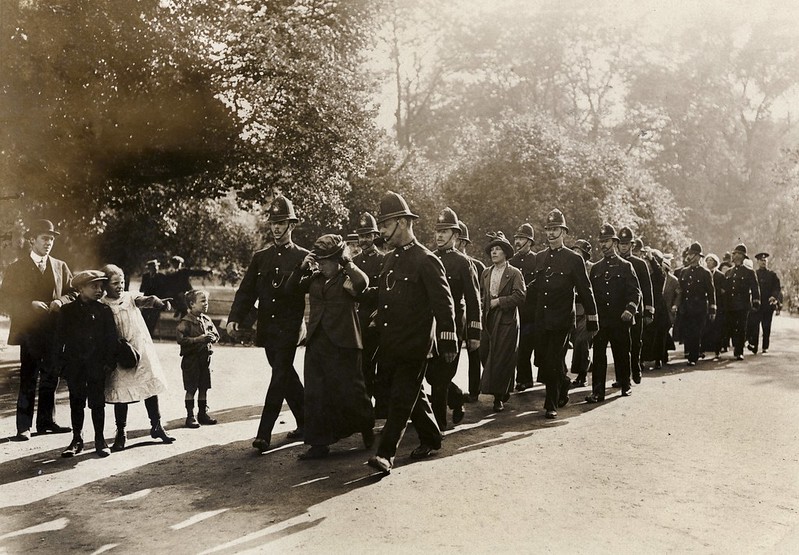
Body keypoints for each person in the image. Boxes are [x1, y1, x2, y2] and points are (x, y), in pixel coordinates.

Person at [365, 191, 458, 475]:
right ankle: (432, 436)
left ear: (403, 223)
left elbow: (444, 304)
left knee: (401, 397)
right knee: (410, 394)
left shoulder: (426, 260)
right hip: (391, 341)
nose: (381, 230)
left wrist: (448, 338)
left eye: (386, 223)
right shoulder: (391, 258)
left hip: (416, 345)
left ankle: (385, 454)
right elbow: (386, 294)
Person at [227, 195, 308, 452]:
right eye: (273, 222)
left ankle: (264, 434)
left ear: (291, 225)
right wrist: (234, 317)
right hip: (268, 328)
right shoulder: (261, 257)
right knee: (286, 376)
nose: (276, 227)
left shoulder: (303, 257)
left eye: (281, 222)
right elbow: (246, 291)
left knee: (279, 375)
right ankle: (309, 422)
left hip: (289, 328)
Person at [286, 234, 375, 460]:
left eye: (326, 261)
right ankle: (319, 444)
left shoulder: (347, 277)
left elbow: (363, 283)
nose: (321, 265)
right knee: (315, 393)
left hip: (344, 343)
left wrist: (347, 262)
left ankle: (366, 427)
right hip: (317, 341)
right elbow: (290, 290)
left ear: (338, 259)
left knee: (351, 391)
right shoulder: (315, 278)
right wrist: (301, 267)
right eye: (319, 260)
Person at [0, 219, 74, 441]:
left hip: (54, 331)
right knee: (28, 377)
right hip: (30, 331)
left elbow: (73, 293)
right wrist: (28, 304)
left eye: (51, 239)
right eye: (45, 238)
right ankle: (24, 427)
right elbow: (5, 298)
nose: (49, 243)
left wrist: (61, 300)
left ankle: (46, 422)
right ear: (32, 239)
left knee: (51, 377)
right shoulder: (16, 268)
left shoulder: (60, 266)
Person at [99, 264, 174, 451]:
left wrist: (156, 301)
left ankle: (156, 425)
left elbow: (144, 300)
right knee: (121, 391)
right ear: (105, 285)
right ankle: (121, 432)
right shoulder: (102, 303)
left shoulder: (129, 297)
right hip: (119, 352)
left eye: (122, 282)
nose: (120, 286)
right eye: (115, 283)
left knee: (149, 386)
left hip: (139, 347)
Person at [531, 209, 597, 418]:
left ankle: (550, 404)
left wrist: (592, 318)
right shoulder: (539, 258)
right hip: (541, 319)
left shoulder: (573, 259)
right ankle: (565, 381)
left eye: (555, 229)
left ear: (564, 232)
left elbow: (586, 290)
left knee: (552, 360)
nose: (551, 234)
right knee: (542, 359)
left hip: (561, 320)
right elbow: (536, 286)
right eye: (548, 229)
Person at [426, 207, 481, 430]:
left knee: (440, 380)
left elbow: (473, 299)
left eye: (445, 231)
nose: (439, 235)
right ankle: (456, 397)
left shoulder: (463, 263)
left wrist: (474, 333)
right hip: (429, 328)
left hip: (452, 329)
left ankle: (437, 427)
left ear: (456, 236)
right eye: (438, 231)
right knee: (431, 377)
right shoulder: (429, 258)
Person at [55, 270, 118, 457]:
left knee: (97, 403)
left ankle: (100, 439)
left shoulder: (104, 311)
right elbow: (59, 341)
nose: (99, 290)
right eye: (93, 286)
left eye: (101, 286)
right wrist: (60, 365)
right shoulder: (67, 312)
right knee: (76, 401)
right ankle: (77, 439)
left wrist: (110, 361)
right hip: (75, 366)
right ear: (80, 288)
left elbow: (111, 339)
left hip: (97, 365)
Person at [585, 225, 640, 403]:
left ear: (615, 242)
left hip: (620, 319)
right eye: (601, 241)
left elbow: (635, 292)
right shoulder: (596, 268)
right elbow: (591, 294)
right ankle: (597, 392)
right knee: (599, 355)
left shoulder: (626, 266)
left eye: (607, 241)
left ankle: (626, 385)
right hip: (602, 320)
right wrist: (592, 317)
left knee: (622, 353)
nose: (604, 245)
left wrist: (629, 310)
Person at [479, 232, 525, 412]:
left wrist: (500, 301)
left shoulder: (514, 273)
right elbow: (482, 296)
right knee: (485, 353)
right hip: (488, 319)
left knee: (502, 358)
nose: (494, 252)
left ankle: (499, 397)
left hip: (506, 321)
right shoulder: (485, 273)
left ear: (506, 253)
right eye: (492, 249)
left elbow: (520, 296)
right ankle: (498, 387)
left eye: (498, 249)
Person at [351, 212, 385, 401]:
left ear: (374, 236)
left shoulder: (383, 261)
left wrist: (361, 292)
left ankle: (378, 407)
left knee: (377, 364)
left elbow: (384, 291)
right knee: (361, 366)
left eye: (367, 236)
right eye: (361, 236)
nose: (363, 240)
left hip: (376, 318)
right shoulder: (354, 262)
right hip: (358, 320)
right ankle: (364, 407)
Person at [176, 289, 220, 428]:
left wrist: (213, 338)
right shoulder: (186, 322)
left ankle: (202, 414)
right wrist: (197, 340)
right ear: (192, 304)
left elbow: (216, 335)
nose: (206, 304)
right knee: (191, 388)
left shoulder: (206, 320)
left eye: (206, 301)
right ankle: (190, 416)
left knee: (203, 387)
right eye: (202, 301)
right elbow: (181, 340)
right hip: (191, 360)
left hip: (205, 360)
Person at [617, 227, 654, 384]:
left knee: (636, 342)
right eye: (621, 244)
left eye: (627, 244)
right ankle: (621, 378)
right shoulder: (616, 263)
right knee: (620, 345)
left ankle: (636, 368)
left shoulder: (640, 264)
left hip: (636, 310)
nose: (623, 247)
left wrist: (649, 311)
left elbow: (647, 288)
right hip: (620, 310)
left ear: (632, 245)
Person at [456, 220, 486, 403]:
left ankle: (474, 390)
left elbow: (481, 294)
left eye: (460, 240)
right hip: (457, 315)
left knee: (475, 354)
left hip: (473, 314)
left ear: (465, 243)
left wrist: (478, 319)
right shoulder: (446, 261)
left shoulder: (477, 265)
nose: (457, 244)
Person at [675, 242, 716, 366]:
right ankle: (690, 352)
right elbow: (680, 291)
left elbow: (711, 292)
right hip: (686, 308)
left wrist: (712, 309)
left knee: (696, 332)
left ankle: (693, 357)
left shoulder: (705, 273)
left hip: (699, 309)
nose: (689, 256)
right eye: (689, 254)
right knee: (687, 331)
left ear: (698, 257)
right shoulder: (684, 272)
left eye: (692, 254)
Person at [508, 223, 538, 391]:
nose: (518, 242)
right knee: (521, 347)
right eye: (517, 238)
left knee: (530, 346)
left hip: (532, 311)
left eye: (522, 239)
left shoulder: (537, 259)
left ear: (530, 241)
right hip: (517, 311)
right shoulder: (511, 261)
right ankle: (523, 379)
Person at [724, 244, 760, 360]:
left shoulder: (749, 272)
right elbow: (725, 290)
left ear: (743, 256)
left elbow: (755, 288)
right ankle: (736, 346)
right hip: (730, 305)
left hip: (743, 305)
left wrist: (756, 302)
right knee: (731, 327)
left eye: (738, 254)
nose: (735, 256)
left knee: (741, 328)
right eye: (734, 254)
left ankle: (739, 351)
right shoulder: (729, 272)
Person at [570, 239, 594, 387]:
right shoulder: (569, 267)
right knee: (576, 343)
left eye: (578, 252)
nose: (575, 254)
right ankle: (580, 372)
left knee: (582, 342)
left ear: (585, 255)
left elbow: (590, 291)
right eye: (574, 251)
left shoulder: (591, 268)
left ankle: (583, 374)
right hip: (573, 312)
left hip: (586, 312)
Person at [747, 252, 782, 354]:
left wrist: (774, 296)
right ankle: (754, 346)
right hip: (756, 305)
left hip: (768, 305)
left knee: (766, 326)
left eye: (765, 261)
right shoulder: (754, 274)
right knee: (754, 327)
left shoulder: (772, 275)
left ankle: (765, 346)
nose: (763, 262)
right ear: (757, 262)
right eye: (761, 261)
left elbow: (777, 288)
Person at [701, 254, 726, 361]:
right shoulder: (703, 274)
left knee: (717, 328)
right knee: (704, 328)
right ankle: (702, 350)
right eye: (707, 260)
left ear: (715, 262)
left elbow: (723, 291)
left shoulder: (720, 276)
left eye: (711, 260)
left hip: (718, 305)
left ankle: (717, 350)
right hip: (705, 305)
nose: (709, 262)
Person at [659, 256, 680, 367]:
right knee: (661, 333)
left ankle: (663, 354)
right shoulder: (656, 279)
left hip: (668, 310)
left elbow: (678, 294)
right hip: (659, 311)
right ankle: (661, 355)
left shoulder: (673, 280)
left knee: (665, 331)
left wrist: (675, 305)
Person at [140, 259, 166, 337]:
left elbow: (163, 290)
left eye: (156, 267)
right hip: (147, 300)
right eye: (153, 267)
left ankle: (149, 335)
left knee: (153, 317)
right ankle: (144, 334)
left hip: (157, 301)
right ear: (149, 268)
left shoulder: (161, 277)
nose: (155, 268)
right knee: (143, 317)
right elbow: (142, 289)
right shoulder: (146, 276)